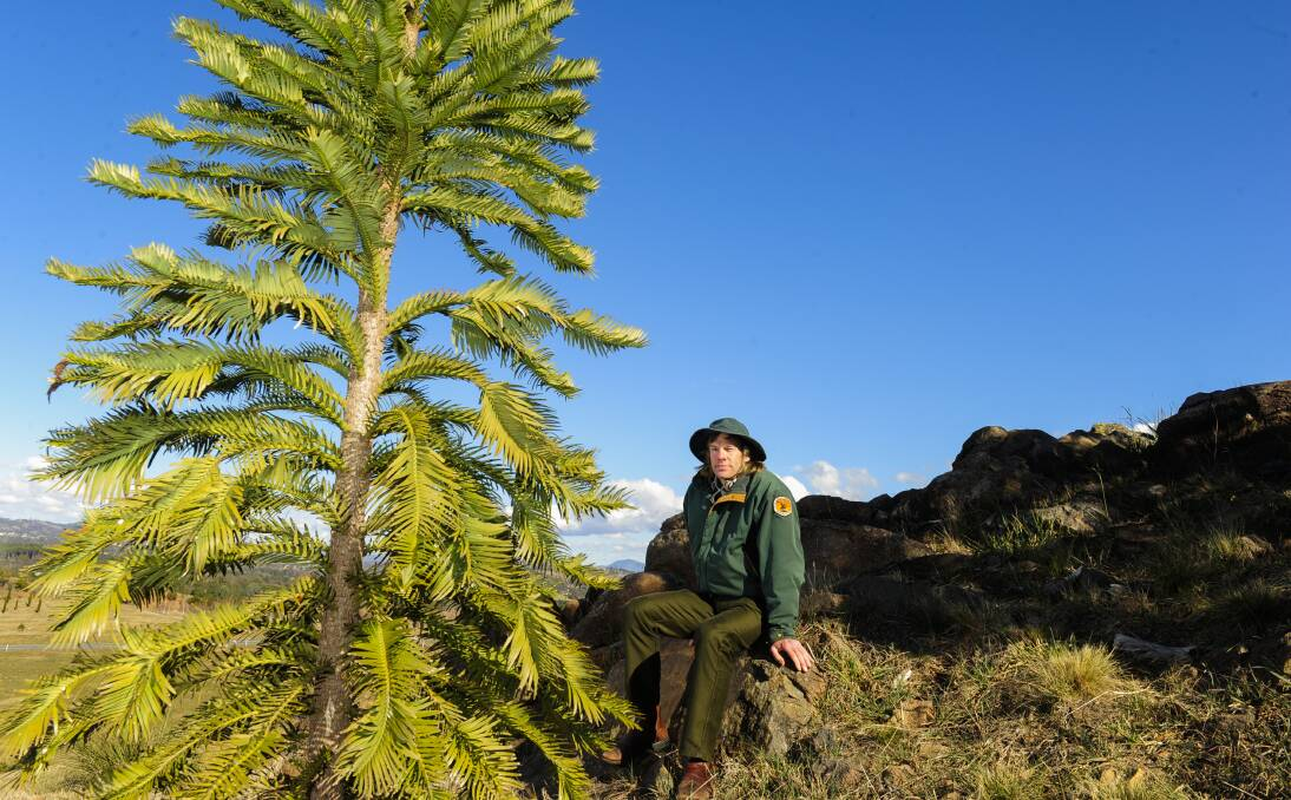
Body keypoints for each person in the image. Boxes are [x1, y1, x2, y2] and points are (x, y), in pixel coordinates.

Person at [601, 418, 813, 799]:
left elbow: (783, 564)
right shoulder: (700, 490)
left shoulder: (769, 491)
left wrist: (782, 630)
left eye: (729, 448)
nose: (720, 455)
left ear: (746, 454)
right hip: (711, 598)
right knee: (639, 613)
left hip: (753, 606)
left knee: (713, 636)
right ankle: (646, 728)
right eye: (714, 448)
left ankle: (697, 764)